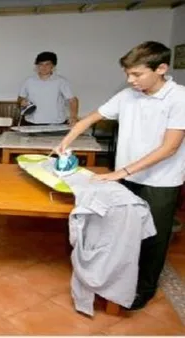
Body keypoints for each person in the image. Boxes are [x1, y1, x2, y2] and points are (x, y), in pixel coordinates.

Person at [56, 41, 185, 310]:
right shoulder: (127, 96)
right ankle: (119, 279)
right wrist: (66, 142)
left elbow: (169, 147)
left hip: (160, 182)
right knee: (121, 233)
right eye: (128, 74)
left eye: (137, 74)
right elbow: (89, 119)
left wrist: (119, 172)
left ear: (161, 68)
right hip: (125, 178)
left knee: (153, 238)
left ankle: (144, 289)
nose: (130, 80)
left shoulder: (179, 98)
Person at [17, 51, 79, 126]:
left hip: (56, 123)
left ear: (53, 66)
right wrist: (21, 101)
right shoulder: (28, 81)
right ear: (37, 66)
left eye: (47, 64)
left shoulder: (61, 81)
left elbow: (73, 100)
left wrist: (73, 116)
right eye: (41, 64)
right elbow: (20, 98)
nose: (44, 67)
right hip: (32, 122)